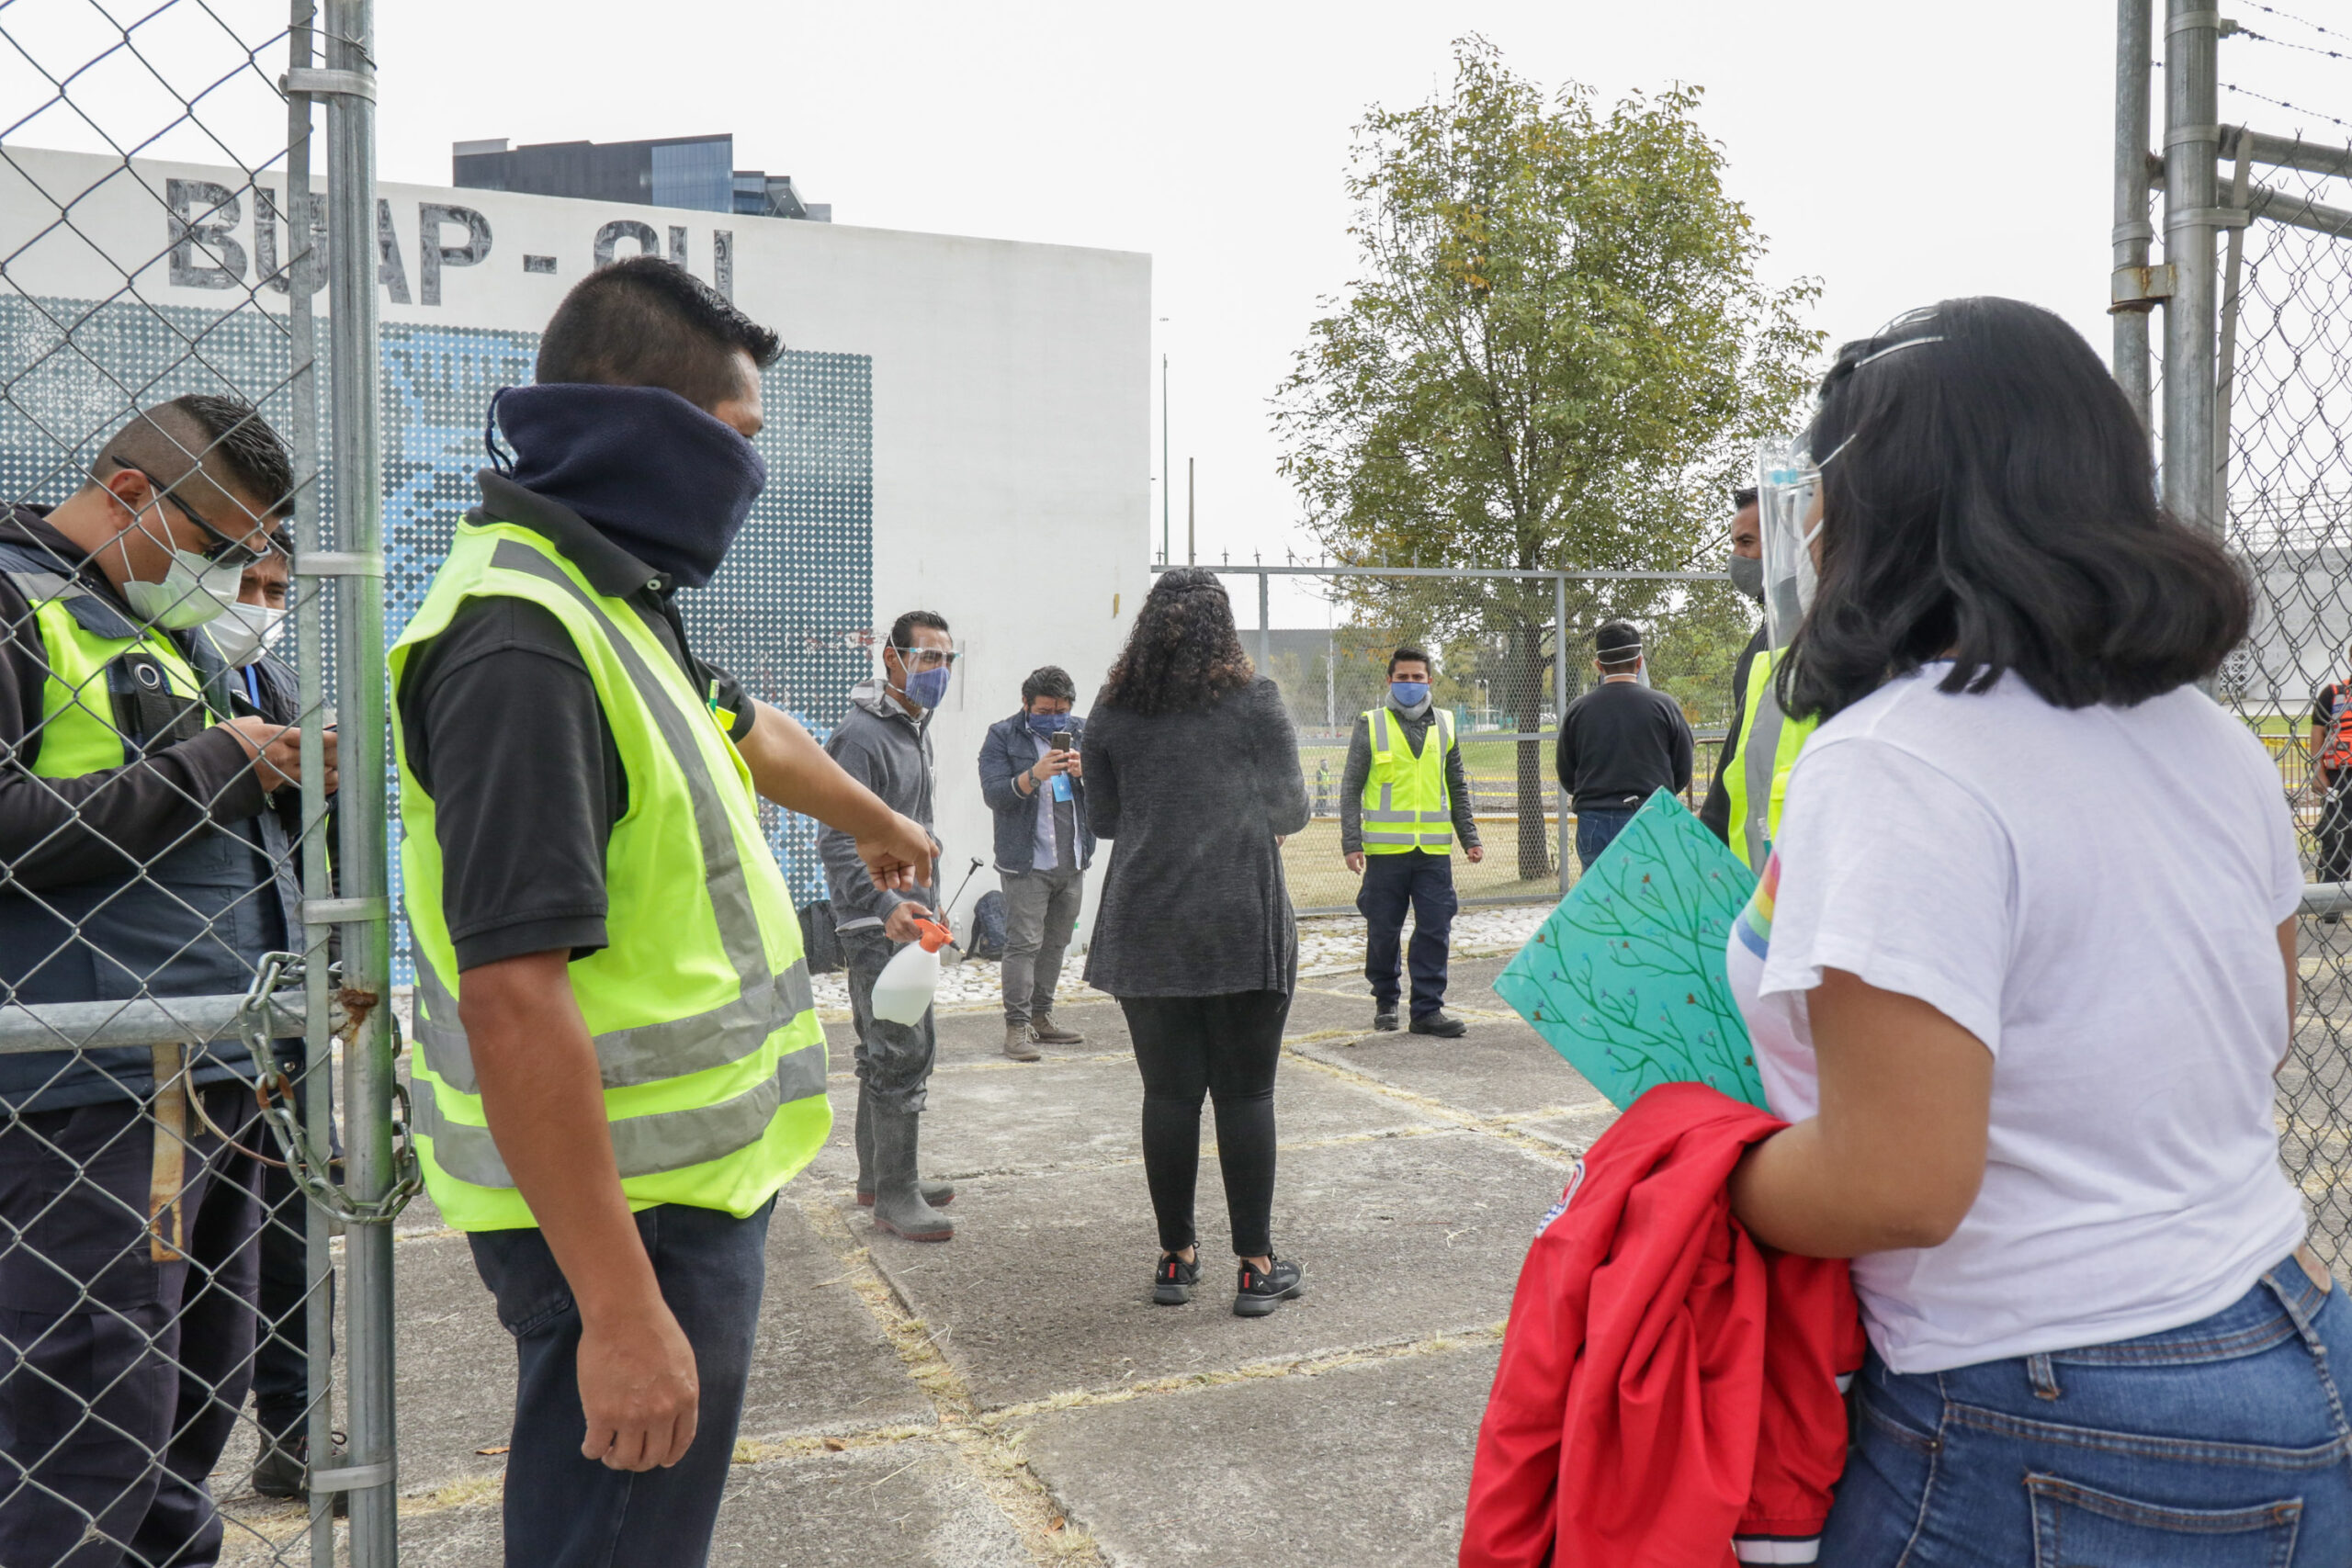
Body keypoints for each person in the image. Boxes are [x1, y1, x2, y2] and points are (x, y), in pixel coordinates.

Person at [1723, 298, 2352, 1562]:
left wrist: (1703, 1169)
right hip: (2287, 1332)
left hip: (2037, 1403)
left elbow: (1899, 1183)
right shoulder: (2207, 737)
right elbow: (2265, 1021)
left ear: (1885, 495)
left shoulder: (1899, 755)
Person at [391, 256, 933, 1568]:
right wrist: (622, 1311)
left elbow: (748, 730)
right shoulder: (523, 641)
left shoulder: (606, 596)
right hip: (620, 1214)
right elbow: (512, 990)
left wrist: (879, 824)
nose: (752, 478)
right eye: (740, 440)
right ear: (644, 421)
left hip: (672, 1188)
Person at [0, 396, 328, 1562]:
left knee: (187, 1412)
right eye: (224, 547)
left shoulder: (170, 634)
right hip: (82, 1090)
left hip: (217, 1070)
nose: (236, 579)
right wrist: (213, 769)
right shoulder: (14, 607)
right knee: (88, 1420)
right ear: (131, 493)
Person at [1081, 568, 1311, 1317]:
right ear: (1224, 626)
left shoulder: (1113, 709)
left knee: (1168, 1095)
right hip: (1241, 919)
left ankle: (1175, 1259)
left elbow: (1107, 819)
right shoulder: (1255, 703)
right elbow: (1293, 809)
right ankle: (1256, 1265)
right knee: (1247, 1093)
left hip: (1148, 923)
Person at [207, 534, 340, 1505]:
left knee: (293, 1232)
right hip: (188, 1006)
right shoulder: (159, 674)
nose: (258, 602)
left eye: (275, 588)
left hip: (281, 998)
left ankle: (295, 1426)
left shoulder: (280, 685)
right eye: (244, 582)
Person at [820, 610, 958, 1237]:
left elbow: (911, 831)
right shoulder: (861, 735)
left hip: (910, 919)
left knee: (893, 1052)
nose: (939, 671)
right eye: (928, 658)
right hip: (877, 925)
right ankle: (896, 1196)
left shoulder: (912, 729)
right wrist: (886, 908)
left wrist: (930, 899)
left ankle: (880, 1177)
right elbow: (838, 839)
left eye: (947, 660)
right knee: (900, 1052)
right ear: (892, 659)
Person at [1340, 646, 1483, 1035]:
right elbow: (1351, 787)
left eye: (1417, 677)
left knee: (1435, 929)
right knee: (1383, 931)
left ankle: (1427, 1011)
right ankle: (1386, 1000)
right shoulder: (1371, 724)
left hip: (1433, 853)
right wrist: (1351, 842)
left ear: (1429, 681)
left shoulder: (1447, 725)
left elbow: (1456, 786)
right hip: (1384, 854)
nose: (1410, 684)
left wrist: (1469, 837)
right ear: (1389, 680)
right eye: (1402, 677)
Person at [978, 665, 1094, 1061]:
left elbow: (1112, 790)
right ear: (1025, 704)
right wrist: (1033, 775)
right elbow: (995, 794)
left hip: (1073, 859)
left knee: (1056, 943)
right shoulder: (1002, 735)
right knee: (1023, 944)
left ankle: (1042, 1018)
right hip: (1027, 863)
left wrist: (1086, 774)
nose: (1054, 717)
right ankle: (1016, 1028)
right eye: (1045, 710)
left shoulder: (1082, 732)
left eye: (1062, 709)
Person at [1554, 619, 1693, 867]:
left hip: (1594, 819)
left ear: (1598, 665)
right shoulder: (1664, 706)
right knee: (1652, 897)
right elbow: (1682, 768)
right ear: (1639, 662)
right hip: (1652, 815)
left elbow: (1567, 772)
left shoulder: (1578, 710)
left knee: (1601, 899)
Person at [1698, 488, 1765, 846]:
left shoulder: (1793, 637)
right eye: (1734, 543)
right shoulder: (1768, 634)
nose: (1736, 556)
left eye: (1747, 542)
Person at [2309, 650, 2351, 915]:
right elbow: (2318, 732)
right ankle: (2330, 904)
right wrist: (2318, 772)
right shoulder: (2333, 694)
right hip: (2341, 777)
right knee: (2336, 837)